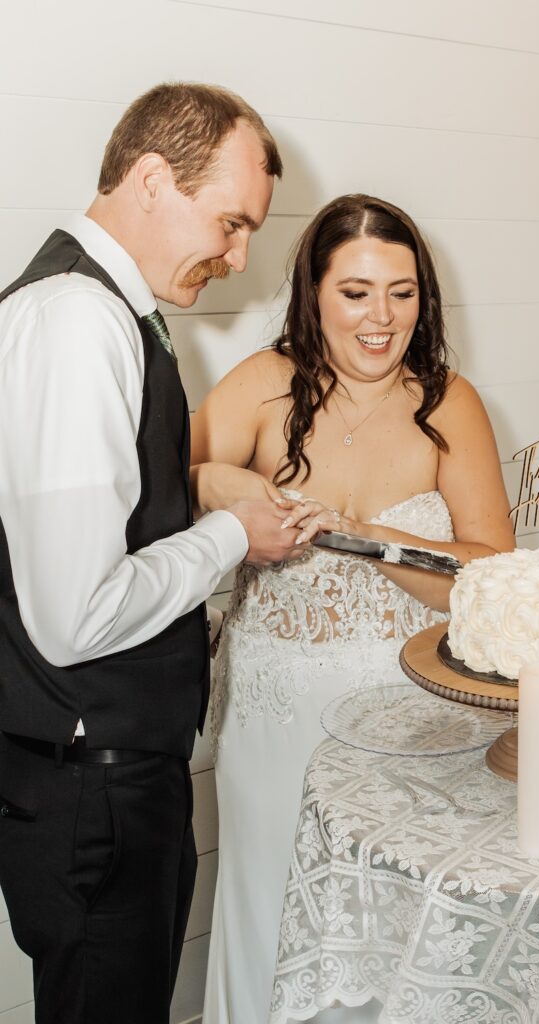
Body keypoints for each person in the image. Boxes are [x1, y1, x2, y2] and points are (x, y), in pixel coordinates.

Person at [0, 82, 304, 1024]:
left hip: (107, 778)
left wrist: (201, 494)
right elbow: (74, 613)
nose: (238, 255)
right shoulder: (77, 321)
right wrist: (229, 537)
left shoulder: (101, 314)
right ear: (149, 178)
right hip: (94, 790)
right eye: (230, 222)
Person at [191, 193, 516, 1023]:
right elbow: (161, 480)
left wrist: (368, 537)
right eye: (357, 291)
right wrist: (218, 483)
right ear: (314, 293)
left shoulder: (449, 402)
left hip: (411, 718)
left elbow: (488, 574)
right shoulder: (267, 385)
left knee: (398, 932)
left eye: (402, 293)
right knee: (275, 903)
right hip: (274, 716)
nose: (382, 318)